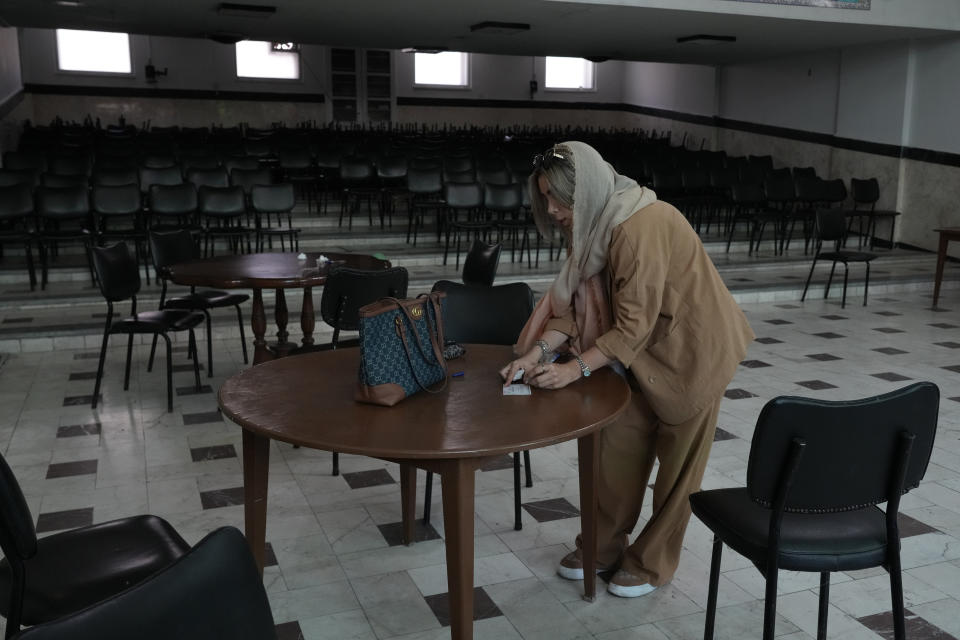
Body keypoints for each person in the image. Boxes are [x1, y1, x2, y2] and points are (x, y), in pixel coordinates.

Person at [500, 141, 754, 598]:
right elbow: (575, 307)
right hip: (636, 359)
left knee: (677, 477)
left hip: (691, 356)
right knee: (614, 457)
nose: (553, 211)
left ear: (588, 191)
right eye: (547, 199)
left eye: (559, 200)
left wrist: (574, 368)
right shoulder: (593, 226)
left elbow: (634, 323)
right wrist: (536, 353)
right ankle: (601, 548)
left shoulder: (639, 225)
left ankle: (651, 561)